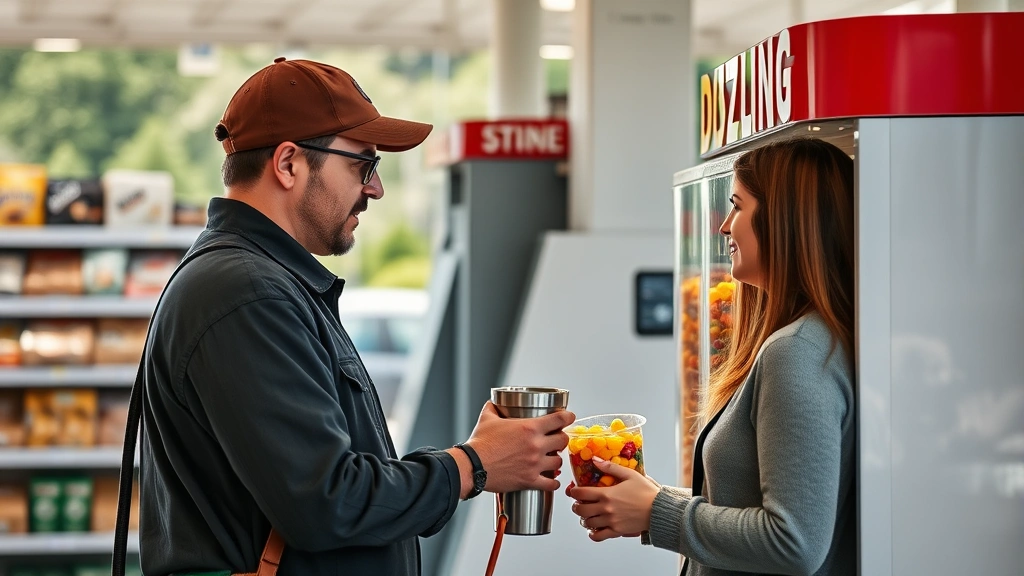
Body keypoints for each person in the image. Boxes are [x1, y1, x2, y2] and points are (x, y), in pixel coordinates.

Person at [137, 58, 575, 575]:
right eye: (362, 165)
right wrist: (473, 465)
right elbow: (327, 503)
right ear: (288, 164)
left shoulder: (260, 282)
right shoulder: (249, 294)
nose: (375, 189)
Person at [568, 137, 856, 576]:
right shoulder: (809, 341)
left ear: (785, 220)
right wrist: (651, 498)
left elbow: (792, 541)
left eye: (738, 206)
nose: (724, 227)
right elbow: (751, 507)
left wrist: (658, 511)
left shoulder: (794, 353)